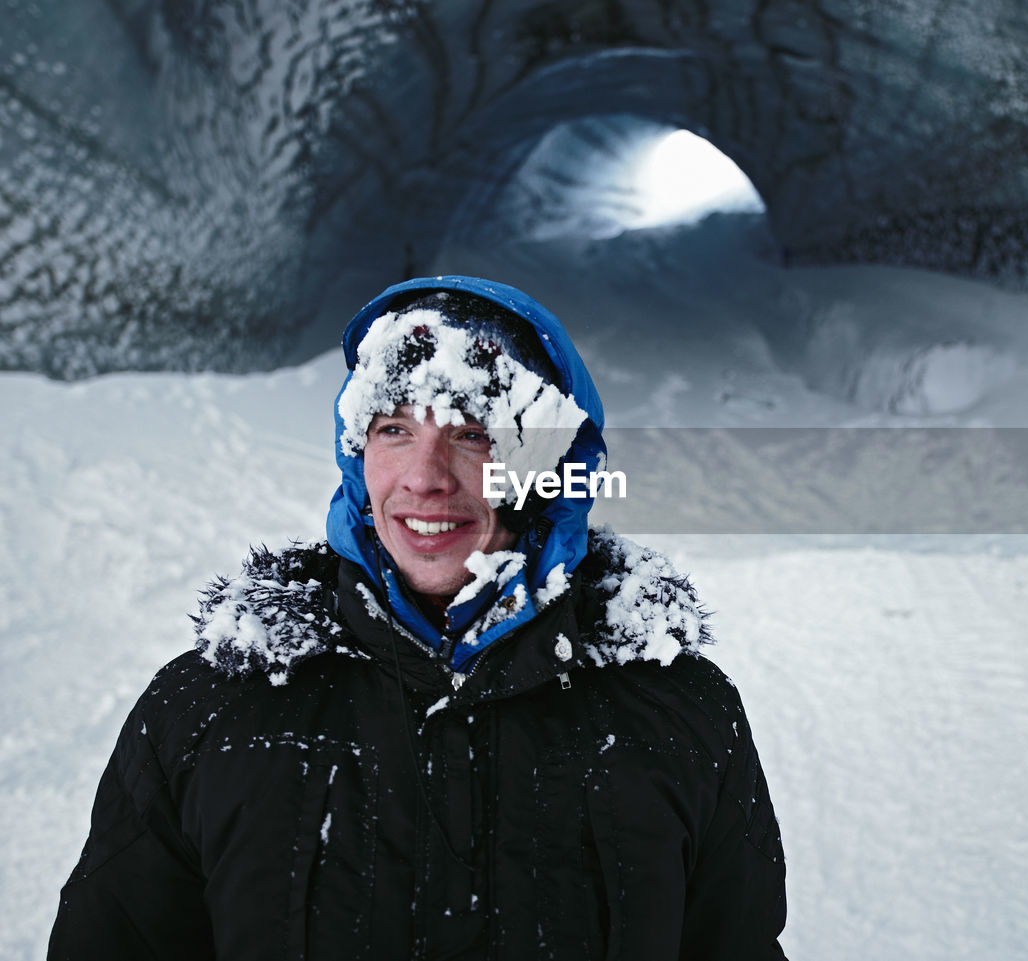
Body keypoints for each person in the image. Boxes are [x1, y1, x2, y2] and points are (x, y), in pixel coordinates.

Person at [49, 276, 787, 960]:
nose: (426, 477)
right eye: (394, 429)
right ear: (356, 455)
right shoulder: (210, 709)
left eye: (472, 433)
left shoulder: (680, 715)